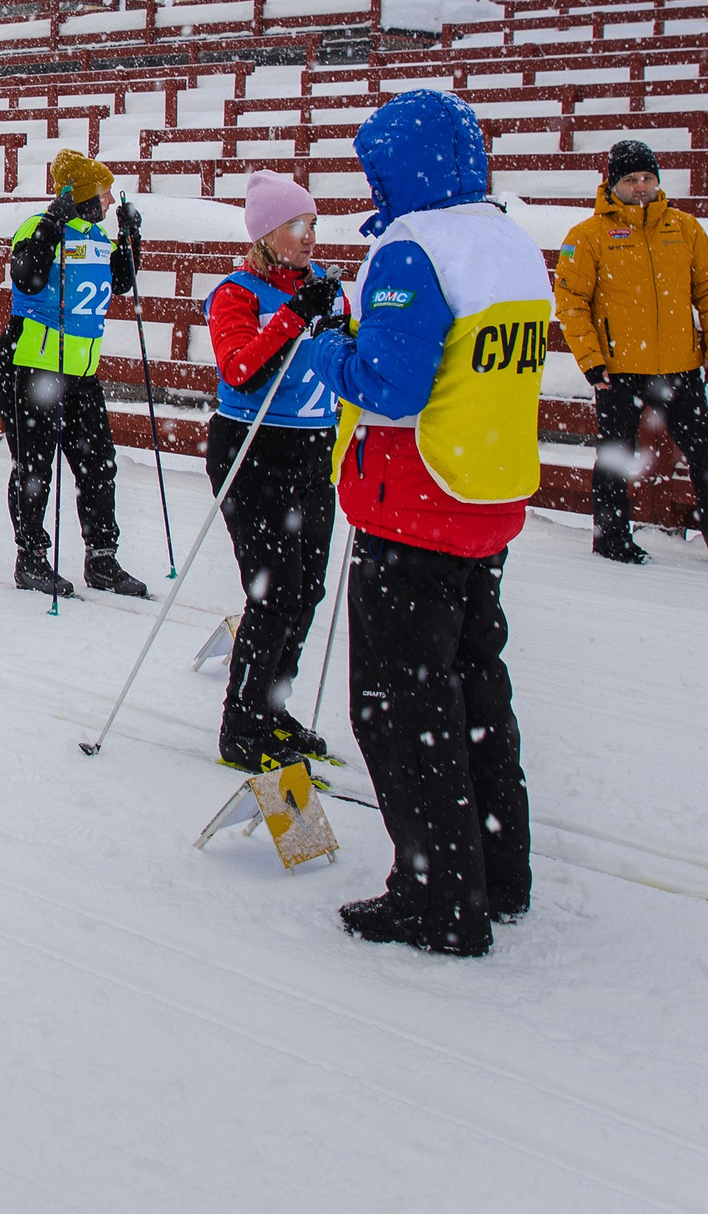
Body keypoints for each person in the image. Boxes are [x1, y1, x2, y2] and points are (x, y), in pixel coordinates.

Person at [303, 89, 547, 959]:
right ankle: (499, 867)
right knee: (478, 689)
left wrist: (332, 349)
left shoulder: (414, 251)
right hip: (486, 498)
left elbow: (392, 385)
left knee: (403, 711)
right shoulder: (512, 246)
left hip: (413, 507)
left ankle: (439, 895)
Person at [201, 169, 350, 770]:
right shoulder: (237, 293)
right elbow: (240, 368)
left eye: (312, 222)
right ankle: (242, 723)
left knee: (308, 588)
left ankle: (273, 706)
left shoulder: (327, 290)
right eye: (295, 225)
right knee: (274, 591)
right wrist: (293, 316)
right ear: (266, 235)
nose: (309, 235)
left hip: (314, 450)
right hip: (254, 450)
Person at [553, 140, 708, 570]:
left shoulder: (685, 228)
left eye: (647, 178)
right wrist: (592, 361)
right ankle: (612, 539)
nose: (640, 187)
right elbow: (571, 303)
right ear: (613, 184)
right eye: (630, 179)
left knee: (705, 456)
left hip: (679, 366)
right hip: (619, 370)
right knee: (615, 458)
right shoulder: (586, 237)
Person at [0, 149, 149, 598]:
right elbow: (27, 278)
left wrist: (131, 238)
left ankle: (102, 558)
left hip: (80, 373)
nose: (109, 202)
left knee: (99, 464)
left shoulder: (99, 237)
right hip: (33, 367)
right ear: (81, 196)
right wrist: (50, 225)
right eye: (103, 195)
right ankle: (32, 558)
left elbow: (120, 280)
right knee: (35, 466)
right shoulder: (39, 227)